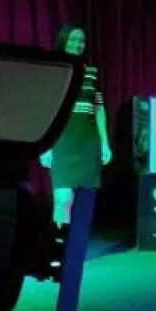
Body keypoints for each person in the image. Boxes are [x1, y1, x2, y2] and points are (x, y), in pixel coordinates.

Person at [39, 24, 112, 227]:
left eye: (81, 41)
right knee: (63, 198)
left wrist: (105, 143)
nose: (78, 44)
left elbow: (98, 108)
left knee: (83, 202)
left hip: (88, 140)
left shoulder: (91, 72)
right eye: (73, 40)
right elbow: (44, 109)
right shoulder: (53, 70)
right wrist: (44, 147)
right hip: (61, 139)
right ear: (63, 41)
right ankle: (59, 241)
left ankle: (76, 244)